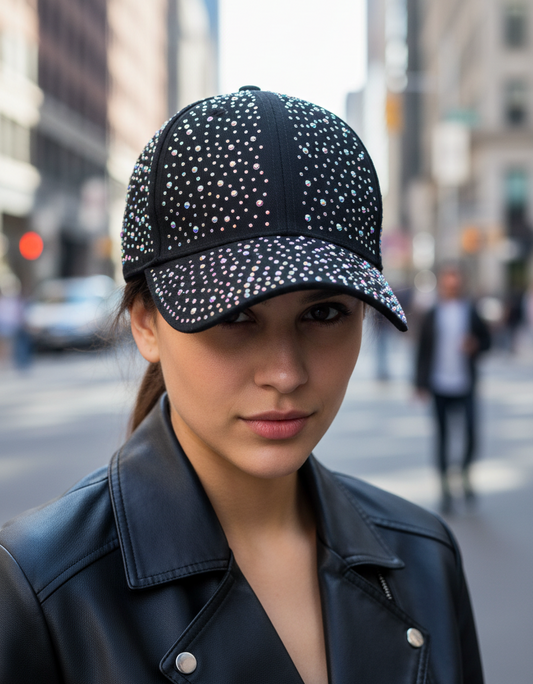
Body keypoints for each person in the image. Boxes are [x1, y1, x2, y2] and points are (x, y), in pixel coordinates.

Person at [0, 88, 483, 683]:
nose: (285, 373)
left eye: (324, 313)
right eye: (233, 316)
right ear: (146, 323)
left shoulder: (426, 555)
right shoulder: (38, 589)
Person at [415, 264, 491, 512]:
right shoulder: (433, 314)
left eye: (456, 284)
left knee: (470, 432)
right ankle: (445, 489)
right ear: (442, 285)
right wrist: (419, 384)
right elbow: (422, 350)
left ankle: (465, 473)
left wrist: (475, 345)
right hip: (439, 385)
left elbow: (487, 341)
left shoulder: (471, 311)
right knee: (443, 437)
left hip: (465, 385)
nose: (452, 288)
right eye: (448, 284)